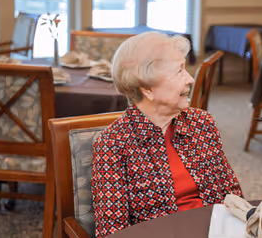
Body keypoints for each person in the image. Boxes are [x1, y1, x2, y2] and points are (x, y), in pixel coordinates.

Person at [91, 32, 242, 238]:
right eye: (179, 71)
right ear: (147, 88)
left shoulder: (201, 123)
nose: (190, 79)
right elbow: (112, 232)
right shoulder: (113, 145)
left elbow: (232, 194)